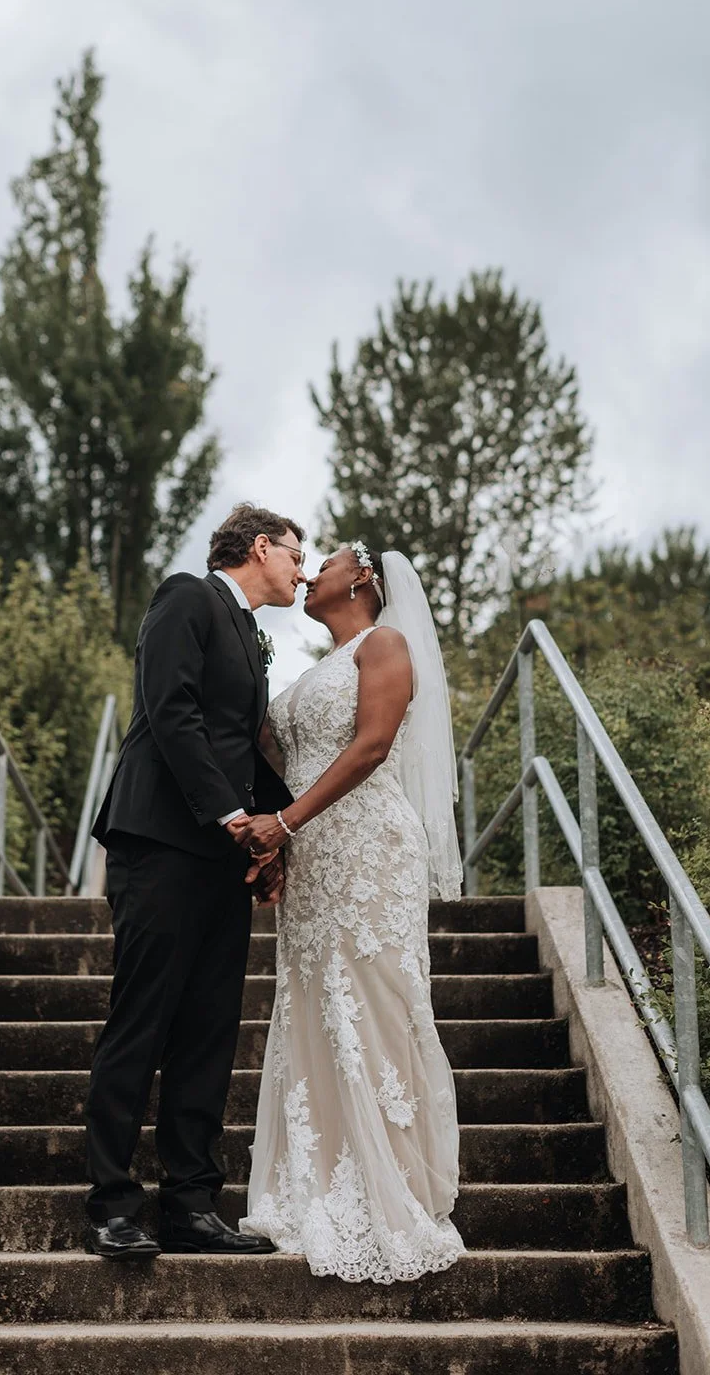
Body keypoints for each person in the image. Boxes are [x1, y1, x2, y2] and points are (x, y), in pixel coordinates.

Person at [236, 541, 466, 1282]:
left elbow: (370, 747)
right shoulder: (315, 670)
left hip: (369, 850)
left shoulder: (384, 644)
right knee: (310, 1005)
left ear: (362, 578)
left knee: (372, 1004)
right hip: (312, 858)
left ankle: (390, 1185)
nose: (309, 574)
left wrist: (285, 823)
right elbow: (276, 756)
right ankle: (318, 1178)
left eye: (324, 563)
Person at [84, 504, 306, 1258]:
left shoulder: (249, 632)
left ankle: (190, 1205)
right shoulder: (186, 596)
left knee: (210, 1029)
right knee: (142, 1019)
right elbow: (171, 711)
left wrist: (280, 834)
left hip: (221, 857)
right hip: (159, 842)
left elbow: (238, 746)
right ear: (260, 546)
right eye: (295, 554)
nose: (301, 571)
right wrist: (233, 816)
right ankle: (113, 1207)